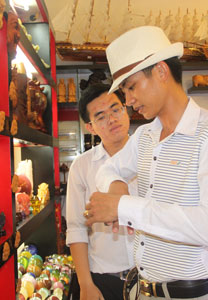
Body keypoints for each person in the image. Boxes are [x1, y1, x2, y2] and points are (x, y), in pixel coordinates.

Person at [84, 26, 208, 300]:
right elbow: (108, 169)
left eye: (131, 87)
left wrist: (125, 207)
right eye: (124, 91)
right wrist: (117, 187)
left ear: (160, 71)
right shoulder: (145, 135)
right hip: (143, 291)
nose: (129, 101)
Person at [66, 83, 136, 300]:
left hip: (152, 277)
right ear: (91, 127)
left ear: (126, 110)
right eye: (101, 116)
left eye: (116, 109)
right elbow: (76, 227)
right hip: (105, 280)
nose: (112, 119)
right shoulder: (82, 166)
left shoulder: (151, 155)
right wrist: (85, 284)